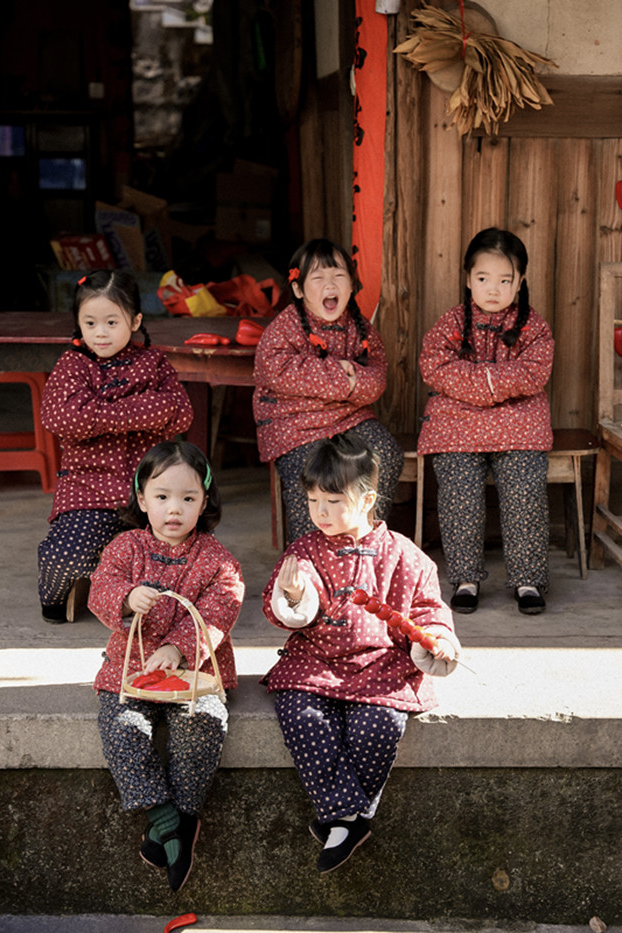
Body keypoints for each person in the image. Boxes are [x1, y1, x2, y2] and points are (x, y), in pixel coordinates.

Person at [261, 432, 460, 873]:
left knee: (379, 724)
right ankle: (351, 819)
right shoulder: (306, 550)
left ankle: (340, 821)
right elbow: (291, 603)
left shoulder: (406, 556)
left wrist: (438, 639)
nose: (320, 513)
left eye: (332, 501)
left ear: (368, 498)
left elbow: (429, 609)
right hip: (317, 661)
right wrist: (295, 596)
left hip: (381, 665)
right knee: (301, 715)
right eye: (313, 502)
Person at [89, 439, 244, 892]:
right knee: (123, 726)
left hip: (192, 675)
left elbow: (221, 609)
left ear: (204, 502)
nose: (174, 509)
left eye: (188, 498)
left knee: (205, 720)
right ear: (142, 499)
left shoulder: (219, 561)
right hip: (132, 670)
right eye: (161, 497)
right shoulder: (124, 548)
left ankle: (187, 814)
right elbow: (103, 584)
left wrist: (179, 648)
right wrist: (124, 597)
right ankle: (165, 815)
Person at [38, 270, 193, 624]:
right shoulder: (72, 365)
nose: (101, 332)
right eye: (90, 323)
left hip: (150, 492)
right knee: (64, 557)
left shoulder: (154, 362)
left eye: (111, 321)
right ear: (78, 324)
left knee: (179, 555)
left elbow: (180, 413)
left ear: (135, 320)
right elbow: (62, 419)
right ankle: (58, 601)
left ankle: (130, 599)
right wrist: (141, 409)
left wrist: (99, 412)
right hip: (87, 491)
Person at [417, 227, 554, 615]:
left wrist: (475, 382)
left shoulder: (534, 327)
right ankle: (465, 578)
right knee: (459, 489)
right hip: (457, 424)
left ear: (520, 282)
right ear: (467, 279)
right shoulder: (450, 322)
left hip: (518, 424)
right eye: (482, 279)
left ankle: (528, 580)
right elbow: (435, 365)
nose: (493, 289)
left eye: (504, 280)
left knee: (524, 488)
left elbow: (534, 373)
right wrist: (495, 383)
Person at [253, 237, 404, 542]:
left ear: (352, 285)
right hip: (294, 425)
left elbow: (376, 378)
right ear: (298, 289)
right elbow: (277, 369)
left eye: (338, 276)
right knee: (312, 473)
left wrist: (354, 382)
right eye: (318, 278)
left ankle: (363, 535)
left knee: (385, 453)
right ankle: (311, 557)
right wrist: (342, 377)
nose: (329, 285)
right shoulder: (285, 327)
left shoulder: (360, 328)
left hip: (350, 417)